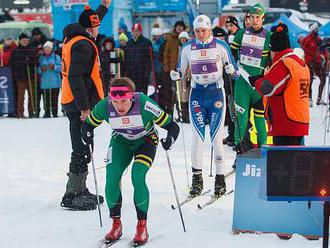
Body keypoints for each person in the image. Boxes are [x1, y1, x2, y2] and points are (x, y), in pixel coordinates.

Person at [82, 77, 179, 245]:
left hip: (145, 141)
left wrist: (170, 138)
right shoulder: (104, 106)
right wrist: (87, 133)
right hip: (121, 142)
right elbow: (87, 125)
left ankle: (142, 226)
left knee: (137, 175)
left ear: (131, 97)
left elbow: (172, 126)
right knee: (112, 176)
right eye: (116, 101)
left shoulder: (144, 104)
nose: (119, 106)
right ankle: (116, 224)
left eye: (124, 101)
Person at [175, 14, 238, 198]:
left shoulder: (221, 45)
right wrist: (176, 75)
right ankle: (197, 181)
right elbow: (180, 69)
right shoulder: (187, 47)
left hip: (216, 94)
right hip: (197, 95)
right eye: (197, 31)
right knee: (197, 137)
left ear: (210, 29)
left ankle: (220, 179)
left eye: (203, 30)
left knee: (216, 137)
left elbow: (234, 72)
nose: (201, 34)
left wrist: (231, 71)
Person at [60, 0, 111, 211]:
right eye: (96, 27)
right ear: (89, 29)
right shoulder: (83, 44)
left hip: (74, 101)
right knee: (81, 148)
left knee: (85, 144)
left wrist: (104, 7)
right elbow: (76, 77)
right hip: (77, 104)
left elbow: (91, 20)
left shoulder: (75, 37)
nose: (98, 29)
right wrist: (84, 108)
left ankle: (81, 188)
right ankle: (72, 194)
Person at [253, 23, 310, 145]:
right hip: (299, 119)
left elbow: (267, 88)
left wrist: (256, 82)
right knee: (295, 161)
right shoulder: (299, 63)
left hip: (286, 124)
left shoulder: (284, 64)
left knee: (283, 162)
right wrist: (264, 78)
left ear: (274, 50)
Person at [230, 3, 271, 153]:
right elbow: (231, 54)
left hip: (259, 85)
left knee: (260, 120)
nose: (254, 20)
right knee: (241, 118)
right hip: (242, 84)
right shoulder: (241, 34)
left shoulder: (269, 36)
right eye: (252, 17)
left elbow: (271, 60)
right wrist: (231, 67)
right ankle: (239, 149)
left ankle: (263, 150)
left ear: (263, 18)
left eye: (257, 17)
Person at [9, 33, 36, 118]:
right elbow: (12, 63)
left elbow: (36, 61)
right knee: (21, 96)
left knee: (31, 95)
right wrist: (23, 63)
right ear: (19, 41)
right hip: (20, 77)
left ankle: (32, 112)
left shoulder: (31, 50)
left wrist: (30, 61)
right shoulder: (15, 51)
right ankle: (20, 113)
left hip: (30, 76)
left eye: (27, 40)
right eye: (23, 40)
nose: (25, 42)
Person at [301, 23, 328, 106]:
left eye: (317, 29)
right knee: (310, 80)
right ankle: (309, 99)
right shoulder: (307, 39)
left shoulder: (319, 39)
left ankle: (319, 99)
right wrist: (314, 55)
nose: (317, 30)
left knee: (323, 79)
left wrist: (325, 58)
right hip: (309, 63)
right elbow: (304, 49)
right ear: (312, 30)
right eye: (315, 29)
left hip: (318, 63)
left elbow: (324, 50)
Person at [163, 20, 186, 115]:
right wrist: (168, 68)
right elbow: (166, 55)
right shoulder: (172, 39)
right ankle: (175, 110)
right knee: (175, 91)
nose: (179, 28)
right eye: (178, 26)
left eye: (181, 26)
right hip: (174, 69)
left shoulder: (187, 39)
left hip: (185, 70)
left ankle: (184, 111)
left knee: (184, 91)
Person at [124, 23, 153, 94]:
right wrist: (126, 71)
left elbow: (149, 59)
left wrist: (147, 72)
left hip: (142, 74)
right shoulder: (129, 43)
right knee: (131, 92)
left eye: (137, 31)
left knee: (141, 93)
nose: (135, 33)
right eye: (134, 31)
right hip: (131, 73)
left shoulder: (147, 42)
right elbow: (126, 58)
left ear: (140, 32)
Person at [38, 41, 61, 118]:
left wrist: (54, 67)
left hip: (55, 83)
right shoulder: (41, 58)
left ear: (51, 49)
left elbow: (62, 68)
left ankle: (55, 112)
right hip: (45, 83)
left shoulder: (56, 57)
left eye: (49, 48)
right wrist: (41, 69)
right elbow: (37, 70)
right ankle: (47, 112)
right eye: (45, 48)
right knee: (46, 99)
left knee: (54, 99)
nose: (47, 49)